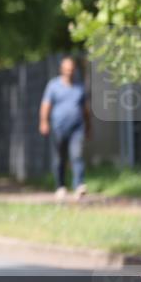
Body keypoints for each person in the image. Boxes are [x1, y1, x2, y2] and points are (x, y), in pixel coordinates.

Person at [39, 56, 92, 200]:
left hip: (77, 127)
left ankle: (79, 185)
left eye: (72, 69)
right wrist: (44, 121)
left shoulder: (79, 87)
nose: (70, 72)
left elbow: (85, 109)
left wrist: (88, 126)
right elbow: (46, 105)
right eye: (67, 69)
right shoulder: (53, 86)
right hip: (59, 127)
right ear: (62, 70)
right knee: (60, 157)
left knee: (77, 155)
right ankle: (60, 186)